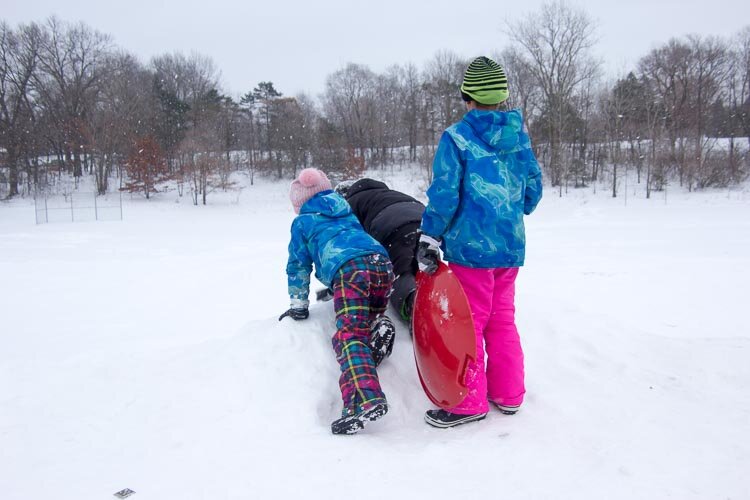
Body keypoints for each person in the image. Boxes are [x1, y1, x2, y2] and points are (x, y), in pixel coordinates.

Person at [416, 56, 543, 428]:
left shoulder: (457, 138)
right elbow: (532, 192)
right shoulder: (518, 137)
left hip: (471, 251)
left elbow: (444, 194)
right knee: (502, 320)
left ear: (466, 96)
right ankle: (509, 393)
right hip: (509, 249)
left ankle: (468, 403)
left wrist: (430, 234)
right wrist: (509, 210)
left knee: (469, 323)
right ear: (502, 96)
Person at [279, 168, 396, 435]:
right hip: (381, 264)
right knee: (363, 323)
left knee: (349, 337)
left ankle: (365, 401)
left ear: (300, 203)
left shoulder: (303, 222)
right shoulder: (345, 211)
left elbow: (297, 265)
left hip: (350, 270)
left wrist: (299, 305)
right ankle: (378, 327)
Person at [333, 178, 424, 323]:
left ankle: (414, 308)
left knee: (399, 272)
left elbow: (353, 247)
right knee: (426, 268)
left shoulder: (350, 204)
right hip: (424, 220)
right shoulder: (386, 193)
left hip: (392, 225)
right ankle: (440, 300)